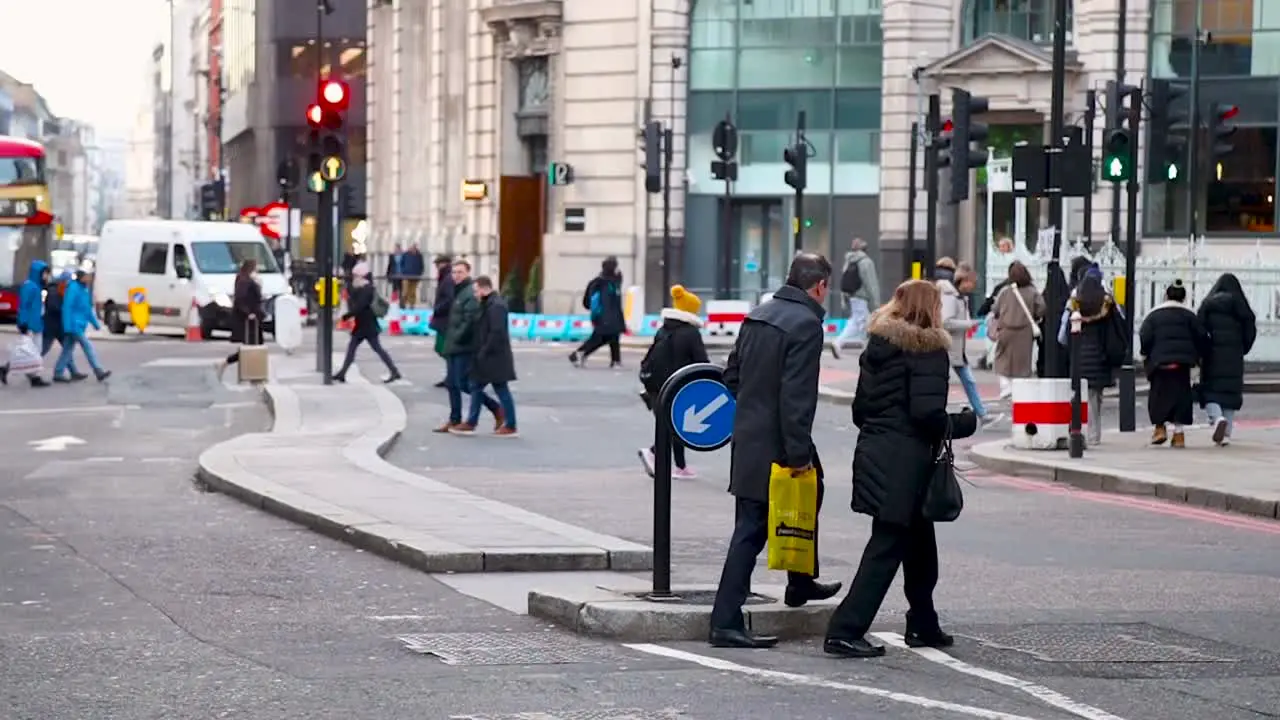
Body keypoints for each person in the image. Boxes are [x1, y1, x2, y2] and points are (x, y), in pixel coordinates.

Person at [823, 280, 979, 659]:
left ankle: (923, 622)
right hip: (905, 461)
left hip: (877, 452)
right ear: (930, 308)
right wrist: (962, 424)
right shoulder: (927, 349)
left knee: (920, 545)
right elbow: (926, 415)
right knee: (887, 546)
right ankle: (844, 630)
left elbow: (860, 410)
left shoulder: (878, 346)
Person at [708, 253, 843, 650]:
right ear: (819, 286)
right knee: (751, 531)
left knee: (811, 492)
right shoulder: (807, 324)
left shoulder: (758, 314)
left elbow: (731, 376)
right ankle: (725, 621)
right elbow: (796, 397)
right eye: (827, 287)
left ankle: (800, 581)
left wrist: (754, 407)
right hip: (779, 441)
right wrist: (797, 454)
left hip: (750, 435)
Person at [638, 285, 709, 479]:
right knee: (675, 426)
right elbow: (701, 361)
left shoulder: (664, 330)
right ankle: (653, 453)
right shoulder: (691, 333)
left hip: (658, 386)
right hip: (679, 386)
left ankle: (680, 467)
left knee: (675, 424)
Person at [1055, 269, 1126, 445]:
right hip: (1099, 359)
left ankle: (1077, 431)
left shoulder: (1075, 303)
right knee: (1095, 399)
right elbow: (1119, 326)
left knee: (1077, 397)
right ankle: (1094, 436)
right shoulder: (1107, 303)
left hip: (1079, 357)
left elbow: (1062, 333)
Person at [436, 260, 503, 433]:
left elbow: (470, 319)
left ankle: (495, 408)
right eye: (454, 272)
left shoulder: (469, 292)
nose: (456, 276)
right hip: (453, 344)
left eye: (460, 272)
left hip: (464, 346)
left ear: (468, 273)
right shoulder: (456, 290)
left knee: (463, 383)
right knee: (452, 383)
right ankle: (455, 418)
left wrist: (457, 337)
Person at [1139, 280, 1209, 448]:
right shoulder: (1190, 316)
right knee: (1181, 397)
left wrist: (1146, 354)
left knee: (1158, 396)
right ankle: (1179, 434)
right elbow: (1201, 337)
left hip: (1159, 362)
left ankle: (1159, 428)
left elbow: (1145, 337)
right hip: (1182, 363)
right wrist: (1198, 357)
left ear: (1166, 295)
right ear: (1184, 298)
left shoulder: (1154, 315)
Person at [451, 275, 518, 436]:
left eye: (476, 291)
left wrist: (484, 351)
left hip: (494, 356)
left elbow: (496, 332)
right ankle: (473, 422)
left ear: (483, 288)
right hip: (488, 355)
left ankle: (509, 424)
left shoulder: (496, 306)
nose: (475, 294)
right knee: (477, 386)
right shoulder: (488, 304)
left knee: (499, 389)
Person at [938, 262, 1002, 427]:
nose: (973, 286)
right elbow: (946, 322)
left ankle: (982, 414)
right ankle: (980, 414)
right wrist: (969, 324)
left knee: (968, 382)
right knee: (954, 382)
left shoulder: (959, 298)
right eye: (971, 282)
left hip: (956, 349)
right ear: (963, 280)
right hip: (949, 348)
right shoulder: (951, 297)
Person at [1197, 273, 1257, 446]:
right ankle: (1227, 433)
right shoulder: (1242, 308)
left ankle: (1217, 419)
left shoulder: (1208, 305)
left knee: (1210, 392)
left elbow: (1199, 329)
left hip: (1212, 356)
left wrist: (1203, 349)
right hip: (1234, 356)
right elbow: (1250, 331)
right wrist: (1242, 348)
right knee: (1230, 394)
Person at [333, 262, 402, 384]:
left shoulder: (367, 289)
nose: (354, 277)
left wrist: (347, 316)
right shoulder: (360, 287)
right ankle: (343, 373)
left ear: (361, 275)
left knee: (371, 348)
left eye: (356, 275)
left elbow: (360, 305)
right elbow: (354, 299)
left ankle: (394, 371)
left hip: (366, 324)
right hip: (363, 323)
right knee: (356, 348)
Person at [991, 261, 1045, 398]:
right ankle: (1019, 389)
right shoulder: (1033, 292)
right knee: (1022, 361)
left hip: (1006, 329)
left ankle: (1006, 386)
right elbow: (1042, 309)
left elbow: (995, 309)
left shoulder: (1005, 291)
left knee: (1001, 359)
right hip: (1025, 332)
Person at [54, 269, 110, 383]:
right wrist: (68, 326)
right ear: (81, 277)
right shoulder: (73, 289)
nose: (89, 279)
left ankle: (58, 372)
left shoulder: (84, 289)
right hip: (74, 325)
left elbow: (87, 309)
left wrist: (96, 324)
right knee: (87, 346)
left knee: (67, 349)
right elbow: (67, 308)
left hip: (78, 324)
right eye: (87, 276)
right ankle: (98, 370)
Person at [569, 256, 624, 368]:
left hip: (606, 316)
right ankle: (579, 353)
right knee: (600, 338)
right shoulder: (605, 282)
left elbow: (587, 302)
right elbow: (594, 301)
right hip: (606, 317)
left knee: (612, 337)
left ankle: (615, 360)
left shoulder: (601, 281)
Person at [215, 259, 265, 382]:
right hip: (248, 320)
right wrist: (249, 313)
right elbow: (240, 300)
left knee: (253, 346)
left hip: (253, 319)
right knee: (251, 346)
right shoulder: (244, 281)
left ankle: (249, 371)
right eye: (255, 268)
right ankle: (229, 364)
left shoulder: (247, 280)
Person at [831, 237, 880, 358]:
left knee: (861, 323)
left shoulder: (849, 261)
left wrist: (844, 299)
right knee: (861, 324)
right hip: (862, 298)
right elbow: (871, 283)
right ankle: (839, 342)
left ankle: (866, 348)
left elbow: (845, 281)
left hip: (852, 297)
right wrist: (876, 302)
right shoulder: (866, 262)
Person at [45, 270, 84, 381]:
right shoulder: (54, 291)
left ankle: (73, 372)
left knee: (67, 349)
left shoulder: (63, 291)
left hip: (59, 326)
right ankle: (18, 366)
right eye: (67, 281)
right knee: (42, 350)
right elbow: (53, 307)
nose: (69, 283)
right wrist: (65, 309)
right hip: (52, 327)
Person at [429, 254, 455, 387]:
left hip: (446, 319)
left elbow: (449, 299)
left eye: (438, 264)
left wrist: (438, 308)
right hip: (443, 319)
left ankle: (454, 376)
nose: (436, 267)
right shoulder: (445, 277)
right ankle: (451, 376)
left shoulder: (448, 278)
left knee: (444, 349)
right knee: (441, 348)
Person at [402, 244, 426, 309]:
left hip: (415, 276)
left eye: (414, 247)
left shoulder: (419, 255)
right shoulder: (405, 254)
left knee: (413, 291)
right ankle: (403, 303)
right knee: (405, 291)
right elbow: (402, 263)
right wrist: (403, 271)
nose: (413, 249)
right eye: (412, 247)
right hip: (406, 275)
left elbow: (421, 265)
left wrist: (419, 273)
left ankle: (411, 304)